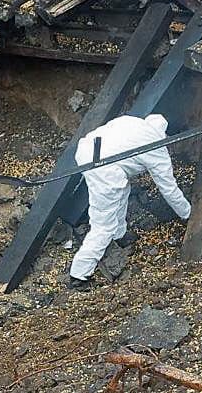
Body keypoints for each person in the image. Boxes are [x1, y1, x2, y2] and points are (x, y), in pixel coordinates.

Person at [69, 114, 191, 288]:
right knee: (104, 224)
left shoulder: (134, 122)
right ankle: (79, 275)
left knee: (122, 188)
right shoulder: (156, 148)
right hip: (104, 168)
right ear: (166, 136)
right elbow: (169, 189)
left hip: (87, 151)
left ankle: (120, 235)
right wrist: (188, 214)